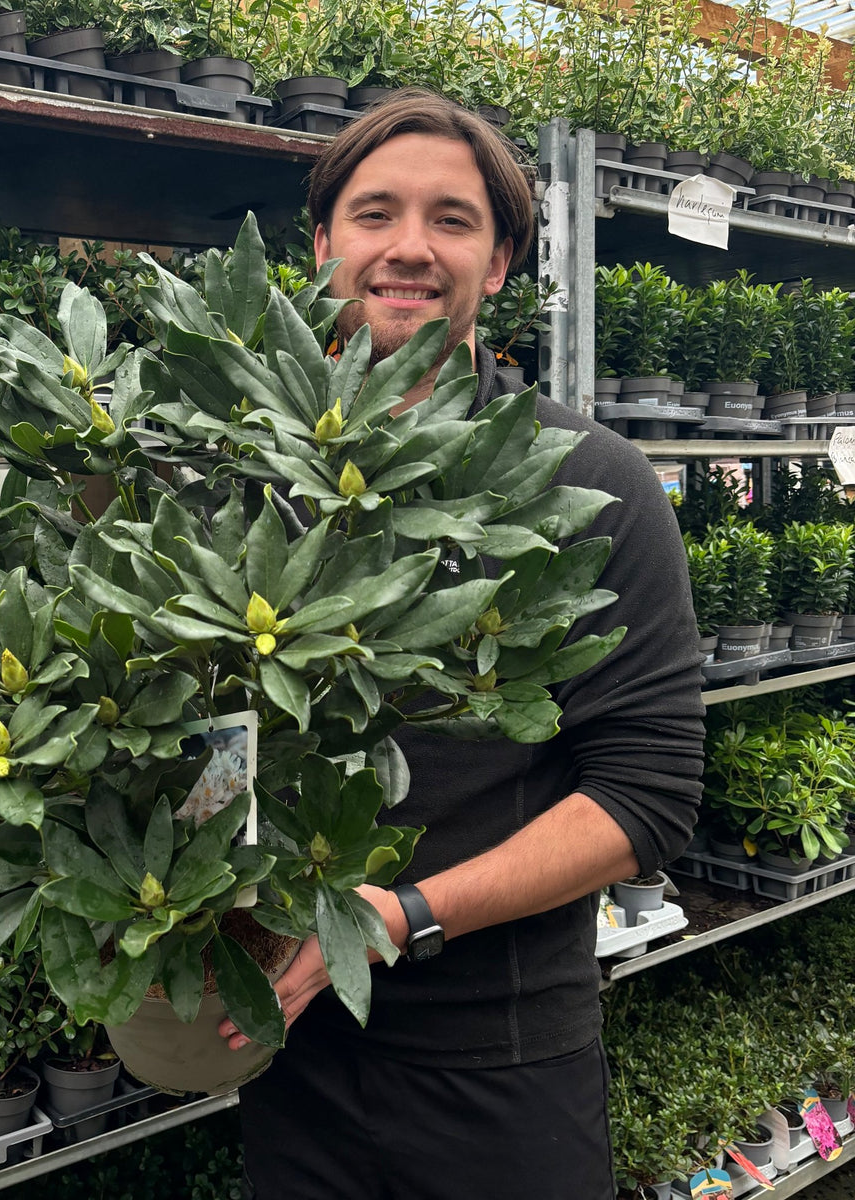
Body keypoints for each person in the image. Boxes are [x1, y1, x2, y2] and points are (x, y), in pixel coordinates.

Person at [218, 88, 706, 1199]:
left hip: (501, 1063)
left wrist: (404, 918)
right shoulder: (238, 477)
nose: (408, 248)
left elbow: (648, 798)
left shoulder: (593, 486)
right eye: (376, 212)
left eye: (452, 219)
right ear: (321, 243)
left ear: (497, 264)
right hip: (292, 1044)